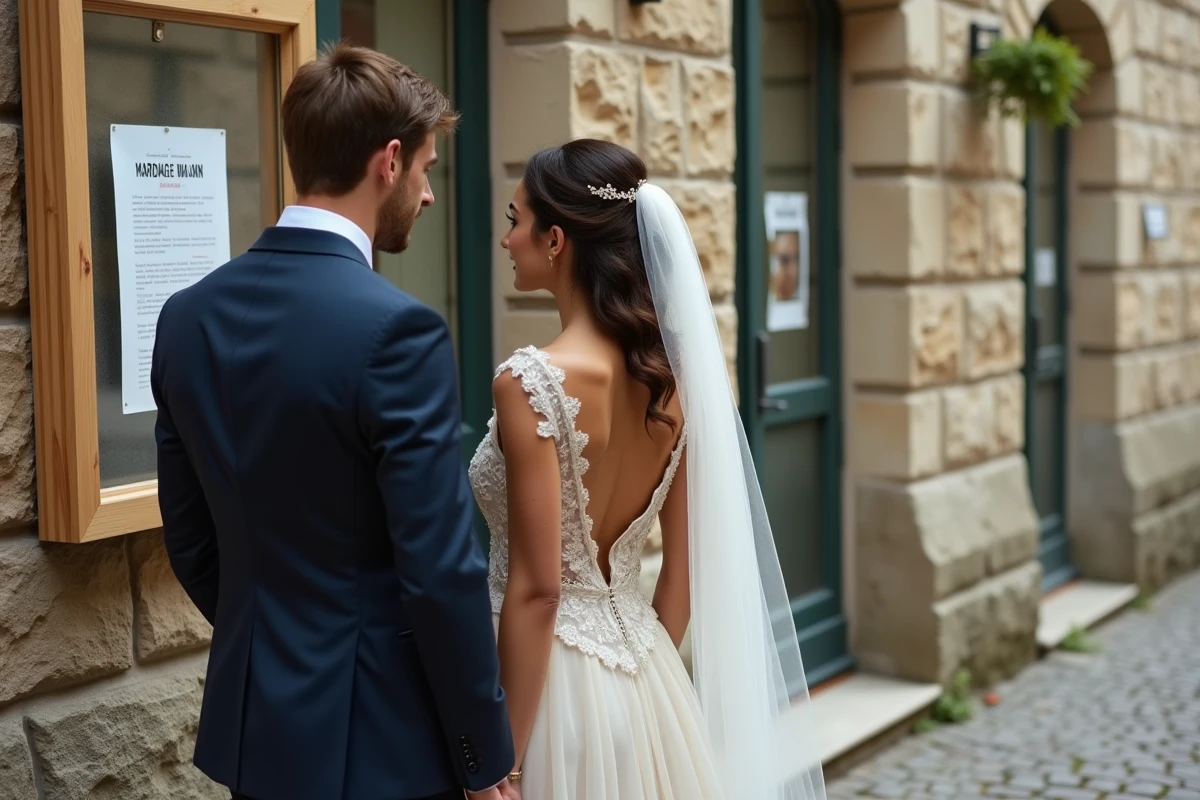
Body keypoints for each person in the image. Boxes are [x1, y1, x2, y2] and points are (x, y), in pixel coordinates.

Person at [152, 44, 514, 800]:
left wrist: (281, 649)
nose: (428, 195)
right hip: (385, 749)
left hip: (260, 737)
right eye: (427, 169)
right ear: (389, 161)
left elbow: (189, 537)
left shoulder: (185, 318)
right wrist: (482, 756)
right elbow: (441, 570)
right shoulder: (398, 331)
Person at [469, 139, 827, 799]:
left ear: (555, 240)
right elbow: (682, 577)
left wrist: (504, 762)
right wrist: (646, 674)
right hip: (648, 682)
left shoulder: (532, 382)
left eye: (515, 220)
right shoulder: (679, 377)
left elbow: (539, 590)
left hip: (544, 696)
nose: (504, 239)